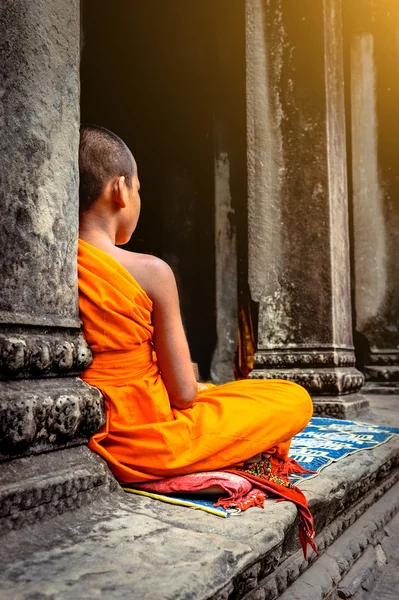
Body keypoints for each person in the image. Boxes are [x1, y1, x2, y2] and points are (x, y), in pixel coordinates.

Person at [77, 124, 313, 485]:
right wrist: (187, 381)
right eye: (139, 189)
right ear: (120, 191)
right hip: (150, 441)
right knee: (292, 397)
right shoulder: (152, 272)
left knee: (221, 391)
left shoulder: (56, 266)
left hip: (81, 434)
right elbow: (184, 395)